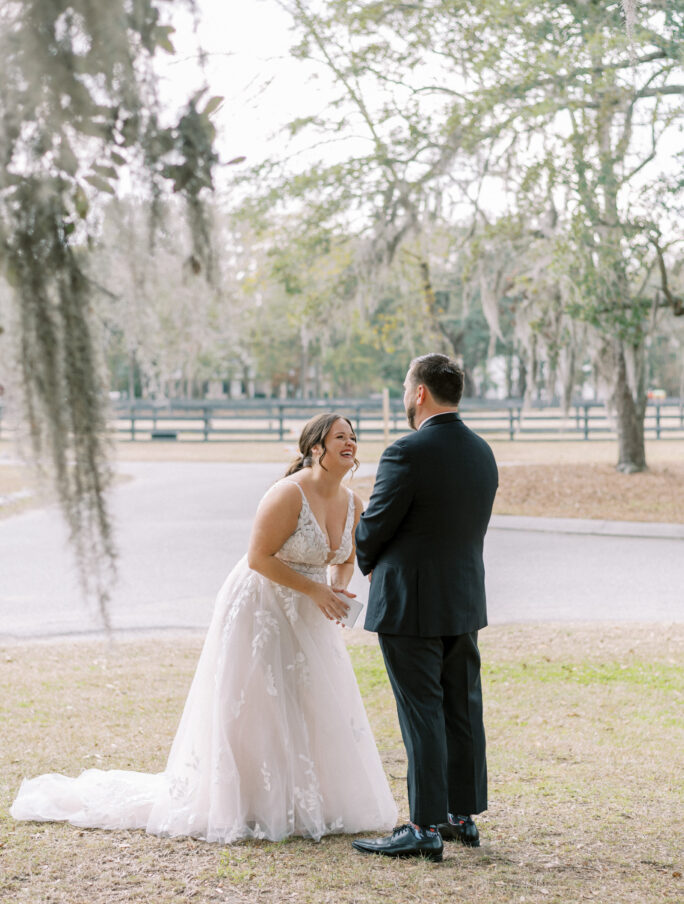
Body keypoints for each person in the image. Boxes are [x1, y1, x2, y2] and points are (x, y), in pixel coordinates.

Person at [11, 414, 397, 843]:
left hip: (311, 610)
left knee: (309, 700)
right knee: (259, 702)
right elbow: (258, 558)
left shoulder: (353, 502)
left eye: (353, 437)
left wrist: (337, 592)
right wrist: (313, 590)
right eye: (340, 436)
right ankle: (248, 801)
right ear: (316, 449)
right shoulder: (288, 494)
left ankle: (305, 800)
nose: (351, 443)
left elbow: (345, 557)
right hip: (262, 603)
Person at [351, 354, 498, 862]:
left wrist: (364, 550)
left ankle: (422, 827)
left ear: (419, 394)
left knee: (422, 715)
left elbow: (375, 528)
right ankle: (461, 817)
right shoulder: (483, 452)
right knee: (462, 708)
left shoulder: (406, 452)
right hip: (462, 599)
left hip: (410, 603)